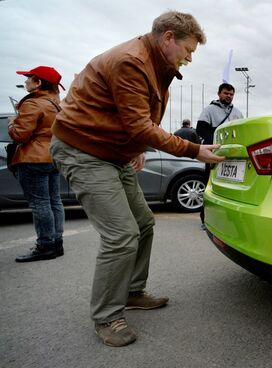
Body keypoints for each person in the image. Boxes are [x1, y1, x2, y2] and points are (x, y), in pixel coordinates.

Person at [49, 11, 226, 347]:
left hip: (112, 152)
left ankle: (131, 292)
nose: (190, 58)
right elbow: (138, 123)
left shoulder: (158, 64)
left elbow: (136, 119)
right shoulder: (131, 61)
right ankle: (107, 317)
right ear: (168, 37)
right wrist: (194, 150)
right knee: (121, 234)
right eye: (188, 50)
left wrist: (136, 146)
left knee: (143, 223)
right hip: (84, 150)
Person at [8, 66, 66, 262]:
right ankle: (56, 243)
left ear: (38, 83)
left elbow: (20, 134)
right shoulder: (57, 105)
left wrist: (11, 123)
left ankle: (45, 246)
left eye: (29, 78)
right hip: (52, 157)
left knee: (40, 203)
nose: (26, 82)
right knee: (54, 201)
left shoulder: (33, 104)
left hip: (33, 158)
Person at [196, 83, 244, 228]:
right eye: (225, 93)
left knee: (232, 188)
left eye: (231, 94)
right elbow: (201, 129)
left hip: (232, 157)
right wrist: (216, 144)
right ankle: (205, 218)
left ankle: (230, 220)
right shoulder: (209, 110)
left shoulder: (237, 112)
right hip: (214, 154)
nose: (228, 96)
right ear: (219, 94)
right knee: (209, 185)